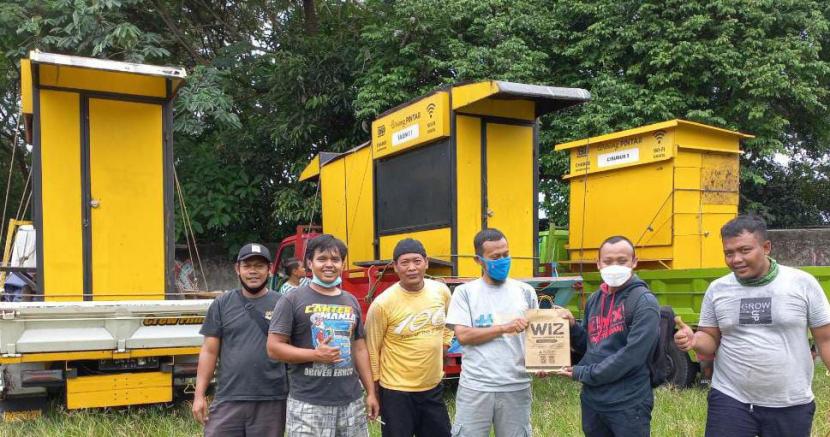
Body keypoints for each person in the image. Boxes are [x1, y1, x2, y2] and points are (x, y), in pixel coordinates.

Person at [674, 214, 830, 437]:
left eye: (744, 250)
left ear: (766, 247)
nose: (736, 259)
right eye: (729, 253)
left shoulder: (801, 284)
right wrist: (694, 340)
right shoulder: (718, 290)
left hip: (790, 401)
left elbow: (825, 339)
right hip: (730, 398)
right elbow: (710, 339)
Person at [267, 234, 379, 436]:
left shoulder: (350, 300)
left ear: (342, 264)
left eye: (335, 260)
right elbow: (273, 348)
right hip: (308, 403)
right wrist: (315, 355)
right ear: (310, 263)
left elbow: (359, 348)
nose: (329, 265)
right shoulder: (292, 299)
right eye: (322, 259)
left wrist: (371, 392)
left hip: (350, 401)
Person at [559, 236, 660, 437]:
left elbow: (632, 356)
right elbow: (591, 344)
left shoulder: (644, 302)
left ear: (634, 262)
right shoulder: (595, 299)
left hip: (628, 403)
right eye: (608, 261)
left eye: (622, 261)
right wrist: (571, 327)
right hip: (593, 401)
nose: (614, 266)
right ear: (598, 264)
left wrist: (584, 373)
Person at [445, 228, 542, 437]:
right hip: (476, 387)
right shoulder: (465, 293)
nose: (503, 260)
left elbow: (536, 337)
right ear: (478, 260)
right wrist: (503, 328)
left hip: (516, 385)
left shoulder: (525, 292)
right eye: (495, 257)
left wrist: (543, 362)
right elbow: (463, 336)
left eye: (506, 254)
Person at [193, 243, 288, 437]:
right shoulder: (221, 304)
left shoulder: (283, 304)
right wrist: (199, 395)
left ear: (270, 270)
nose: (253, 271)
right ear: (238, 269)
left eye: (259, 266)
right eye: (247, 266)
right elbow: (209, 351)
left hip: (271, 399)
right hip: (228, 397)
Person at [365, 238, 453, 437]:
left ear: (426, 262)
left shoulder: (441, 291)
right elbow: (372, 348)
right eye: (404, 263)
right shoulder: (382, 304)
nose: (411, 268)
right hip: (396, 392)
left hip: (432, 388)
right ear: (395, 267)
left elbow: (450, 322)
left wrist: (445, 344)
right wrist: (375, 390)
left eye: (417, 261)